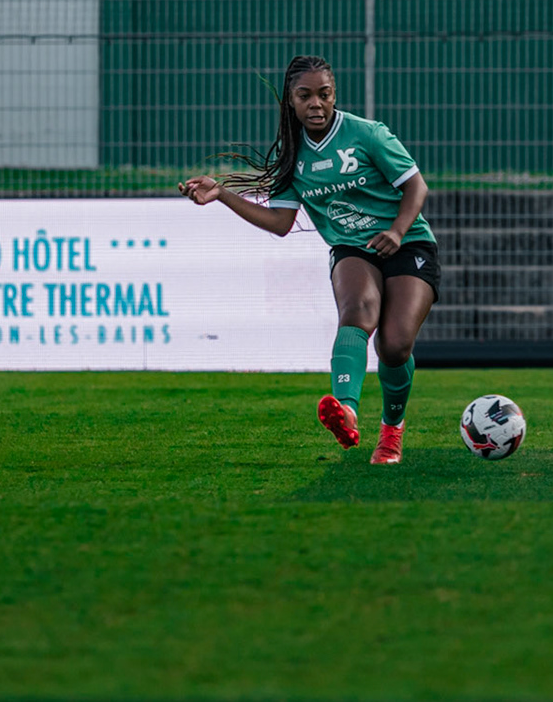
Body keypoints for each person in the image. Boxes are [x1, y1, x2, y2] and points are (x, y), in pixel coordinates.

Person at [180, 55, 437, 465]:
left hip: (408, 244)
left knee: (394, 345)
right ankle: (347, 410)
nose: (316, 104)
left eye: (325, 94)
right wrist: (223, 194)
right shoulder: (292, 153)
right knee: (357, 311)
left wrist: (397, 231)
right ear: (291, 101)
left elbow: (417, 187)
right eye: (306, 96)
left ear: (335, 95)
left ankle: (391, 432)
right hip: (352, 248)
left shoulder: (368, 134)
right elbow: (281, 222)